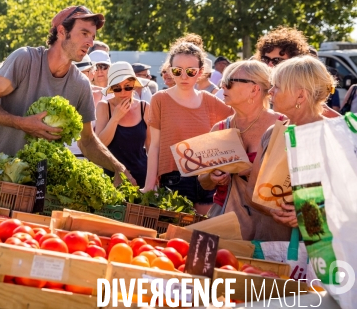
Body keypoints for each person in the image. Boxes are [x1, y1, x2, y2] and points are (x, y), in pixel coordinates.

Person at [0, 5, 135, 186]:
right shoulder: (25, 59)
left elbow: (87, 141)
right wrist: (21, 123)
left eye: (93, 37)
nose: (90, 42)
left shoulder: (80, 85)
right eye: (84, 33)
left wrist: (118, 168)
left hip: (25, 181)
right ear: (62, 31)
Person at [247, 56, 336, 240]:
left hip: (318, 252)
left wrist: (309, 214)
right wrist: (272, 209)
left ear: (301, 95)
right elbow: (251, 190)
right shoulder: (272, 133)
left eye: (277, 86)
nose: (270, 92)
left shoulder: (335, 137)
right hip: (270, 244)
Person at [142, 42, 233, 214]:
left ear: (200, 72)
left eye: (190, 71)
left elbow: (239, 120)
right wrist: (149, 185)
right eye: (178, 70)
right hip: (174, 179)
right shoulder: (159, 99)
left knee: (203, 235)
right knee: (176, 237)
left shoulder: (209, 100)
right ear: (170, 70)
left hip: (207, 178)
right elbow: (154, 146)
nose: (184, 76)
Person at [197, 61, 283, 238]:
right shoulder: (220, 129)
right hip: (226, 217)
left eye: (229, 82)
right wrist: (213, 176)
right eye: (222, 82)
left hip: (269, 223)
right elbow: (203, 180)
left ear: (254, 89)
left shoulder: (282, 125)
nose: (222, 87)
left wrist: (251, 171)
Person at [256, 26, 340, 118]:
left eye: (277, 60)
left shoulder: (303, 87)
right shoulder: (257, 84)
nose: (270, 65)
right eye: (265, 59)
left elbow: (328, 114)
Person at [95, 62, 150, 188]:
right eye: (117, 88)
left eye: (128, 87)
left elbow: (151, 146)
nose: (123, 92)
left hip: (141, 176)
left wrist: (154, 175)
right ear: (112, 89)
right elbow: (100, 145)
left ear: (134, 86)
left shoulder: (144, 107)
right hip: (112, 177)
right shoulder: (104, 106)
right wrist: (115, 118)